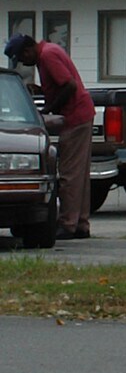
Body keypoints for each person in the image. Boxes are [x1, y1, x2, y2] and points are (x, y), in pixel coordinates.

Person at [5, 32, 93, 239]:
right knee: (80, 175)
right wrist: (41, 90)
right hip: (82, 115)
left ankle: (68, 224)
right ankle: (81, 223)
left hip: (74, 117)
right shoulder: (50, 50)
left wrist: (49, 110)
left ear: (28, 50)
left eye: (22, 58)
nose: (24, 63)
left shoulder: (46, 57)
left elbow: (69, 86)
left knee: (69, 174)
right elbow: (60, 84)